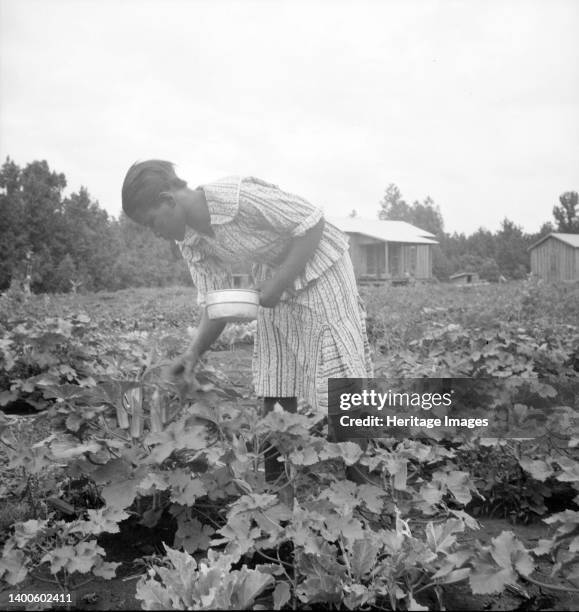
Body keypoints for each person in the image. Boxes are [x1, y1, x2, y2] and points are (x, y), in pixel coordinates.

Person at [121, 160, 373, 486]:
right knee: (275, 375)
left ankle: (362, 486)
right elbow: (215, 303)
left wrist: (280, 282)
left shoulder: (238, 199)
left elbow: (312, 223)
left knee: (339, 374)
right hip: (272, 279)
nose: (156, 233)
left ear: (168, 199)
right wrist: (192, 354)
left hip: (319, 266)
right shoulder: (192, 242)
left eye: (153, 222)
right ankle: (277, 496)